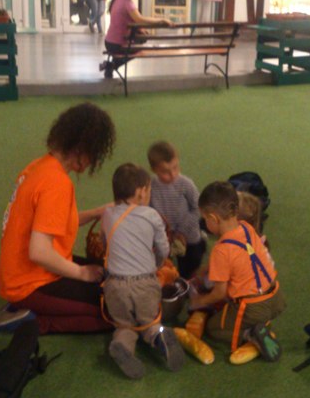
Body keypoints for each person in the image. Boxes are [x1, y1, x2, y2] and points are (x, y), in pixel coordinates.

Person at [0, 102, 116, 335]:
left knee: (110, 279)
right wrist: (81, 273)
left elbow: (53, 222)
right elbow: (39, 252)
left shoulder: (39, 166)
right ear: (81, 149)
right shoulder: (57, 183)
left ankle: (29, 310)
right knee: (116, 311)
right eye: (94, 154)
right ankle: (36, 322)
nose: (93, 161)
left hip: (22, 274)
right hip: (31, 284)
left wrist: (98, 211)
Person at [186, 181, 286, 364]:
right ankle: (261, 324)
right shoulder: (246, 228)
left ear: (213, 218)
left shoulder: (221, 250)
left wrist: (199, 301)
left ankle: (250, 333)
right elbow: (242, 257)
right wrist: (207, 269)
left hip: (252, 307)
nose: (205, 223)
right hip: (276, 298)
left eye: (205, 219)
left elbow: (219, 293)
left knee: (213, 329)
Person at [101, 163, 184, 379]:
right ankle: (160, 336)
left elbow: (105, 246)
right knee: (151, 322)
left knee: (124, 326)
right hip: (145, 283)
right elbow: (163, 249)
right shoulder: (152, 215)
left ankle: (122, 345)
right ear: (140, 192)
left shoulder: (107, 215)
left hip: (115, 285)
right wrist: (156, 266)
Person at [147, 141, 205, 279]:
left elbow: (198, 207)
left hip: (188, 236)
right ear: (154, 169)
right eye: (165, 171)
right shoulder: (150, 186)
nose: (172, 174)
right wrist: (164, 232)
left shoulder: (186, 184)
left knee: (190, 268)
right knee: (164, 268)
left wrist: (182, 231)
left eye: (175, 167)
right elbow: (148, 212)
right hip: (164, 237)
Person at [100, 0, 173, 79]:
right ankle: (111, 65)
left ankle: (110, 65)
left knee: (140, 40)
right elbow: (140, 19)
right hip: (118, 44)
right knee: (140, 49)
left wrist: (140, 29)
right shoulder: (127, 3)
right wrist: (161, 20)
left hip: (109, 42)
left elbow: (127, 20)